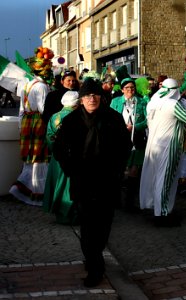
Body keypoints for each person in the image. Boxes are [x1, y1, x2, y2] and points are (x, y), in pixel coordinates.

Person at [52, 78, 132, 287]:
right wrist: (71, 169)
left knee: (104, 225)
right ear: (81, 99)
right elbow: (58, 149)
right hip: (83, 180)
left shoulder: (113, 119)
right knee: (87, 226)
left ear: (101, 97)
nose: (92, 99)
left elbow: (126, 146)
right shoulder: (72, 121)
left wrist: (117, 169)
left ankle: (94, 257)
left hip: (107, 181)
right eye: (87, 95)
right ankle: (95, 264)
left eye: (95, 95)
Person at [140, 78, 186, 226]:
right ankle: (162, 214)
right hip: (168, 146)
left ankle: (160, 210)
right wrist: (185, 103)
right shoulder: (173, 104)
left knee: (157, 178)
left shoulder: (153, 102)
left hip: (154, 145)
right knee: (165, 180)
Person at [9, 53, 52, 206]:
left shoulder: (26, 85)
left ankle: (22, 187)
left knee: (31, 157)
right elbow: (43, 109)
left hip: (28, 122)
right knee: (40, 156)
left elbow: (21, 109)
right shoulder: (41, 86)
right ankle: (34, 191)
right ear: (43, 70)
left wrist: (22, 126)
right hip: (38, 122)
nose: (50, 71)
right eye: (48, 68)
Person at [43, 91, 80, 224]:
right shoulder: (77, 117)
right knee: (69, 186)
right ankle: (71, 215)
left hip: (57, 158)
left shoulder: (54, 117)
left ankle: (59, 214)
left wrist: (56, 150)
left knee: (57, 184)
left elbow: (49, 136)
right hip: (72, 158)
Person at [110, 78, 147, 211]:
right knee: (119, 171)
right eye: (127, 88)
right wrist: (120, 127)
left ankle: (130, 203)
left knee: (134, 172)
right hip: (119, 140)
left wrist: (135, 127)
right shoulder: (115, 101)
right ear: (122, 90)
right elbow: (110, 119)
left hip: (137, 140)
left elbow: (147, 120)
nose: (130, 90)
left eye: (132, 88)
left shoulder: (142, 102)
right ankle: (116, 201)